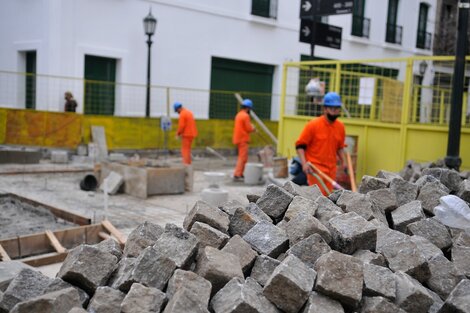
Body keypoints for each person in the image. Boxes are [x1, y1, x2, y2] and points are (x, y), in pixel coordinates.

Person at [295, 91, 346, 195]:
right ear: (325, 108)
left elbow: (340, 147)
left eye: (337, 109)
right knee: (318, 196)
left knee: (327, 197)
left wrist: (344, 163)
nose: (334, 111)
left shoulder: (340, 127)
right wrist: (304, 164)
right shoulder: (313, 125)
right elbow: (300, 146)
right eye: (332, 108)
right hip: (315, 169)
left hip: (331, 169)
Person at [233, 99, 256, 180]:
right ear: (248, 108)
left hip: (238, 138)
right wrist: (253, 128)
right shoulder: (246, 116)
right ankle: (237, 174)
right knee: (242, 157)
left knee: (243, 157)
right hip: (243, 139)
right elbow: (248, 128)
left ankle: (240, 173)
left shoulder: (239, 114)